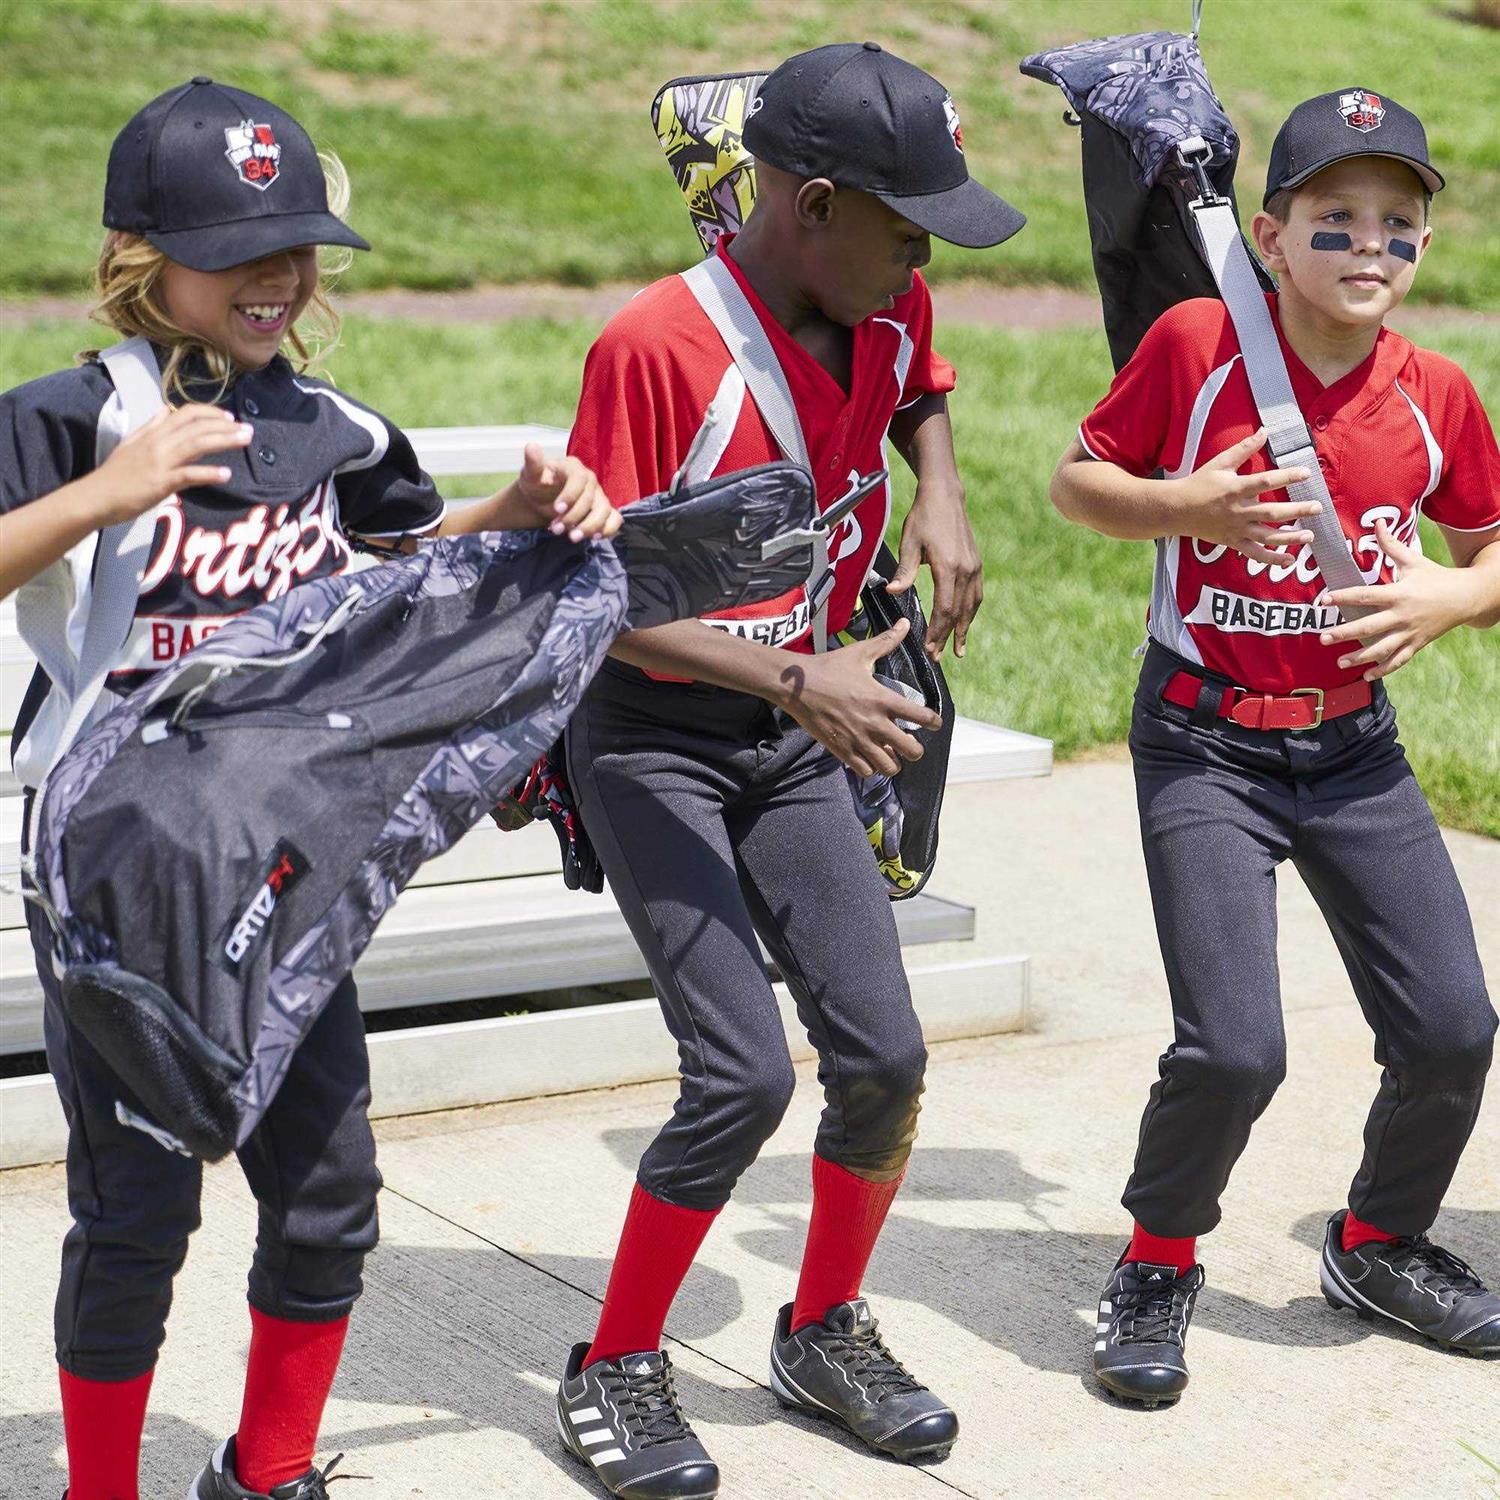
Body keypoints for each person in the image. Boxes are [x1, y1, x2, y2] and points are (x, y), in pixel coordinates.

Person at [0, 79, 615, 1500]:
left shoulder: (336, 431)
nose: (278, 277)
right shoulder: (80, 416)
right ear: (142, 254)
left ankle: (267, 1473)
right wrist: (110, 492)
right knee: (138, 1213)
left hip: (283, 870)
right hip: (123, 884)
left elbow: (393, 575)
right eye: (238, 246)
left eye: (299, 245)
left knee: (331, 1197)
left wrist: (507, 521)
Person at [552, 42, 1025, 1499]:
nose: (925, 252)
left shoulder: (880, 298)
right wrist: (800, 678)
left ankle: (822, 1327)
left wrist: (938, 491)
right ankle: (616, 1362)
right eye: (907, 222)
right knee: (740, 1074)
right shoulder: (656, 347)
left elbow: (918, 370)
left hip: (797, 727)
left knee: (883, 1056)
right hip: (653, 738)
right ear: (813, 205)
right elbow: (600, 602)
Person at [1049, 88, 1500, 1406]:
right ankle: (1156, 1258)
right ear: (1270, 232)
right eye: (1336, 219)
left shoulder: (1436, 396)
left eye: (1398, 227)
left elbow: (1489, 541)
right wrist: (1177, 504)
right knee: (1236, 1047)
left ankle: (1375, 1243)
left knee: (1453, 1027)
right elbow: (1080, 482)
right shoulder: (1198, 344)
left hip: (1355, 750)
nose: (1370, 247)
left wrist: (1455, 596)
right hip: (1205, 749)